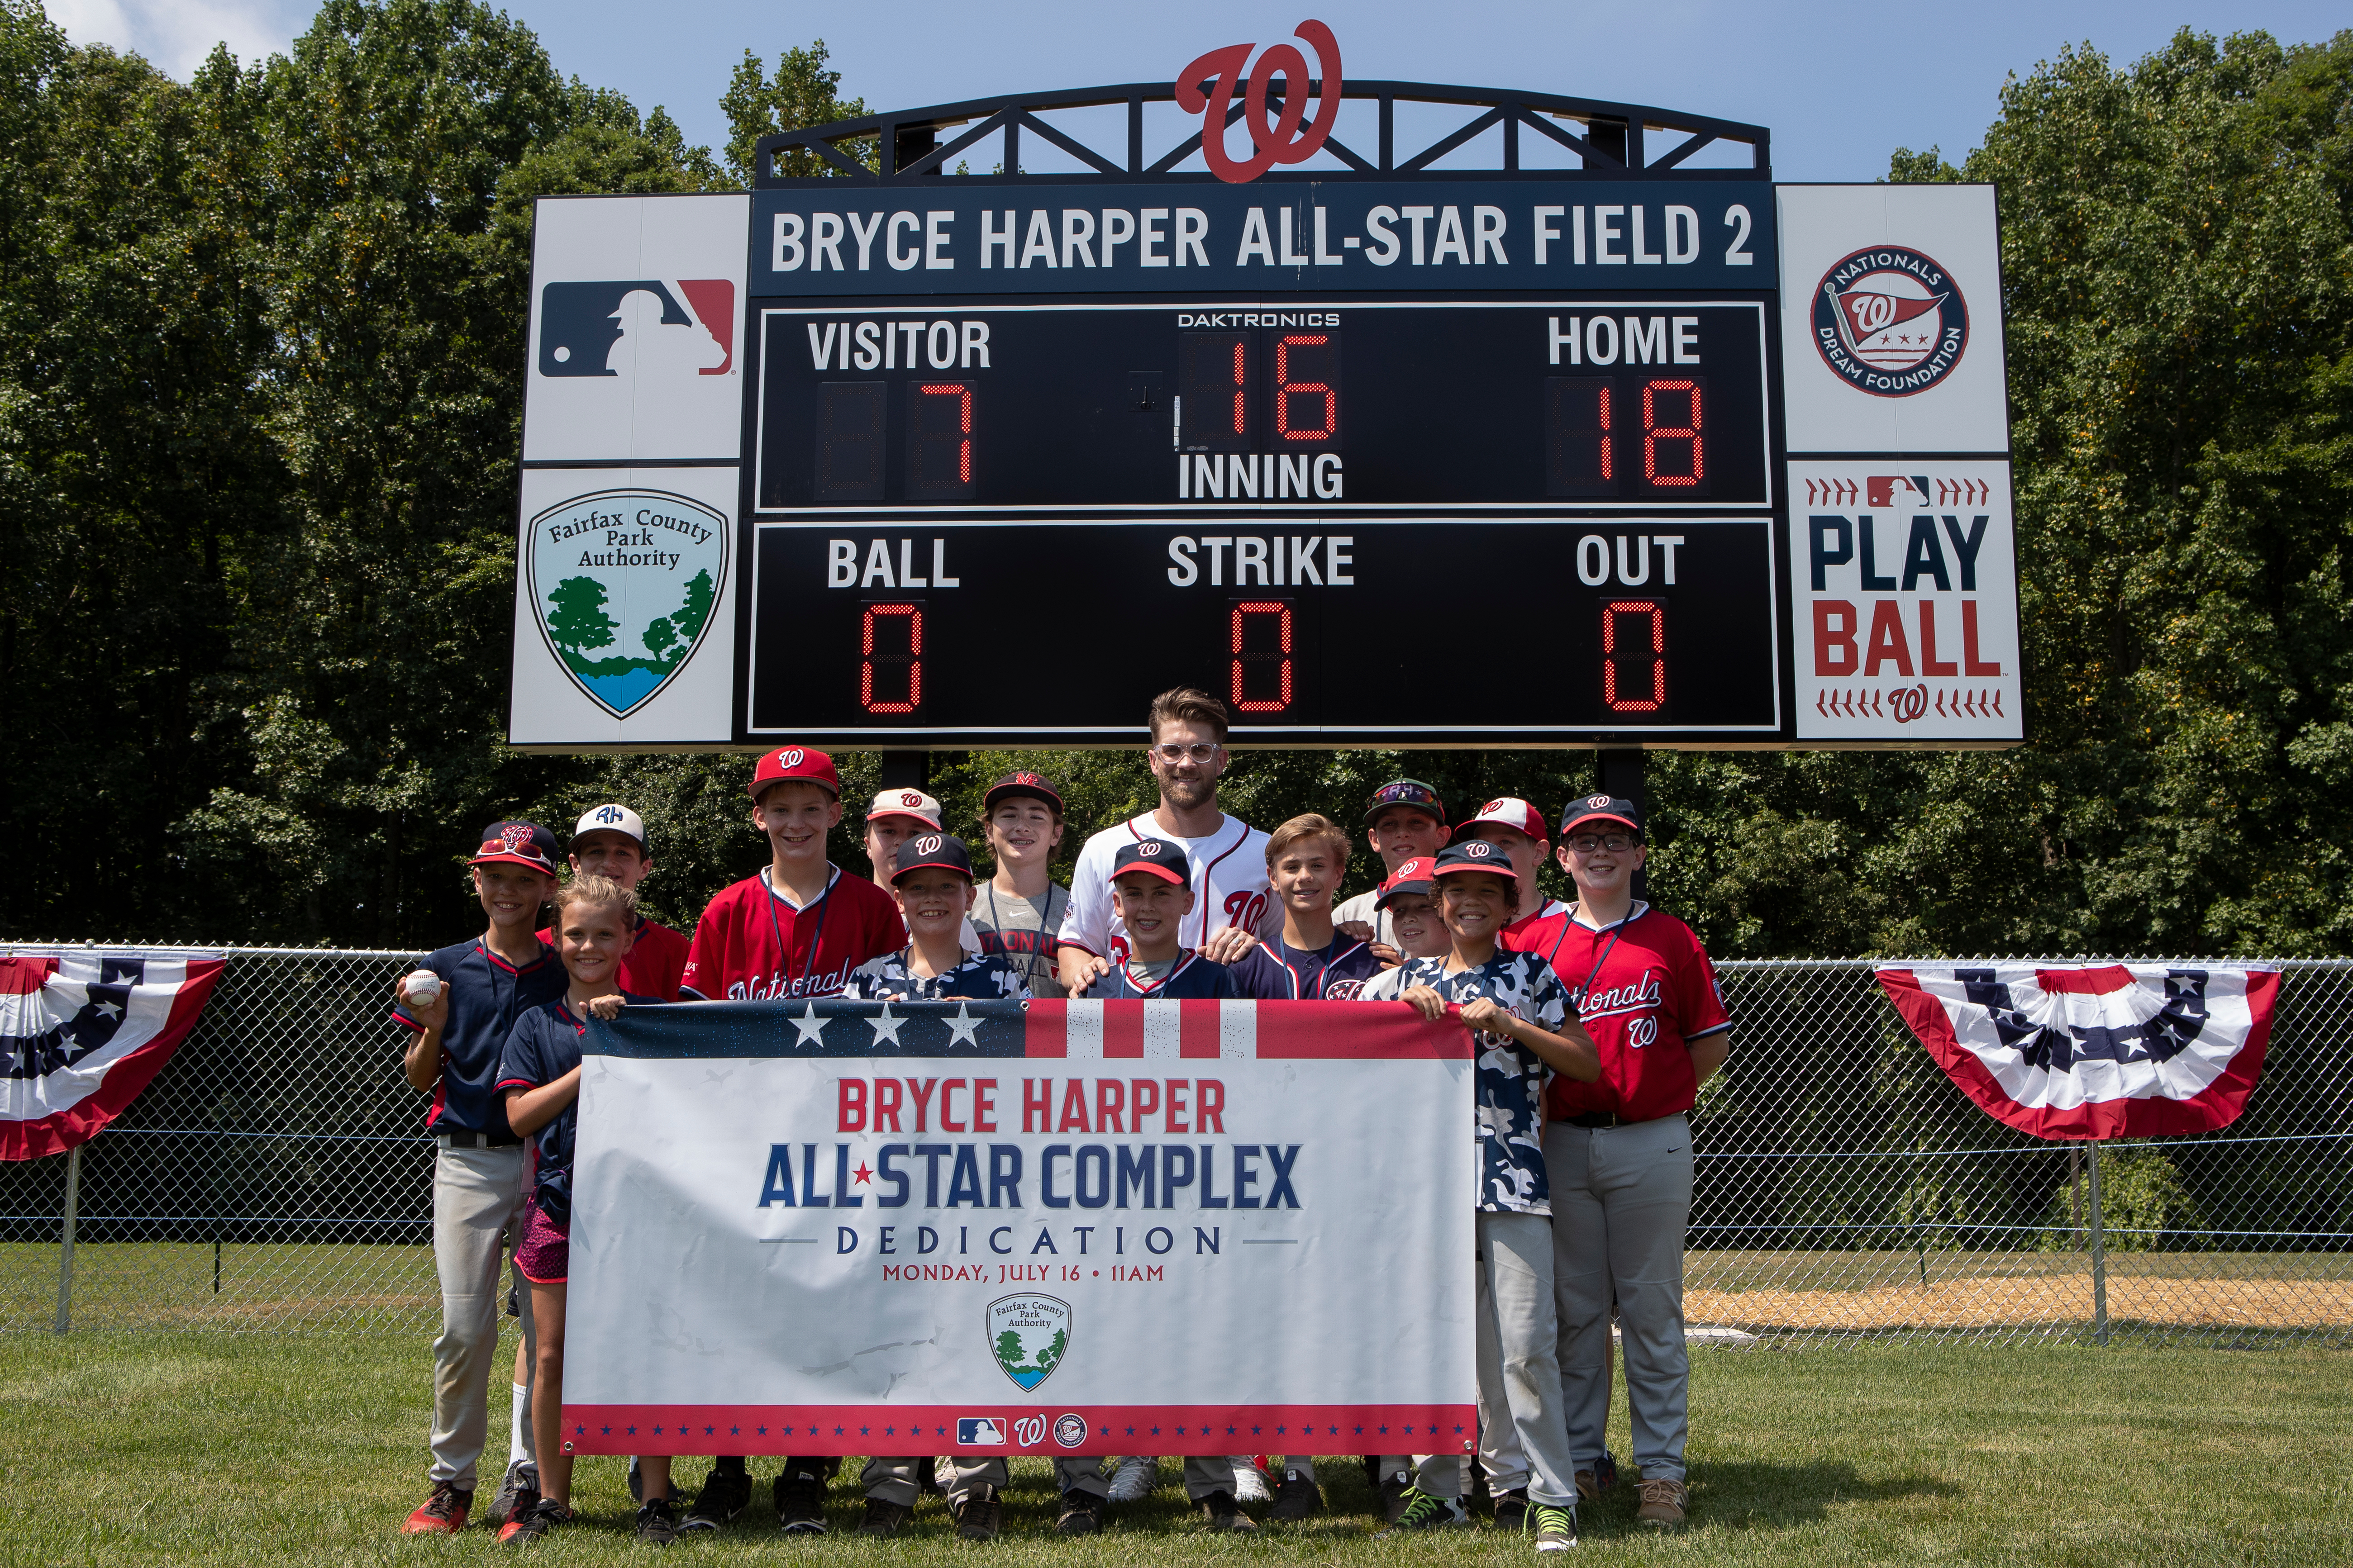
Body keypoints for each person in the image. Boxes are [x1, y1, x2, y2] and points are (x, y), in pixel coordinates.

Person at [841, 833, 1101, 1541]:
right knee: (895, 1338)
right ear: (897, 896)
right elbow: (828, 1089)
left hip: (977, 1189)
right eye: (916, 885)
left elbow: (1029, 1089)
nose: (930, 898)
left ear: (967, 896)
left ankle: (976, 1480)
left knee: (970, 1331)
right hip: (890, 1186)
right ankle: (889, 1484)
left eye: (945, 886)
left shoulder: (1001, 985)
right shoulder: (864, 982)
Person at [674, 746, 908, 1535]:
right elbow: (696, 1035)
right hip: (745, 1141)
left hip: (841, 1142)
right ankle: (730, 1468)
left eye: (813, 806)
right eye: (782, 806)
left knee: (822, 1304)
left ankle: (807, 1468)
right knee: (741, 1304)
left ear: (838, 814)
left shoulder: (875, 910)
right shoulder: (728, 907)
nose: (797, 821)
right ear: (758, 816)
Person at [1366, 840, 1600, 1551]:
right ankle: (1440, 1492)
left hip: (1514, 1178)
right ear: (1440, 903)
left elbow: (1585, 1061)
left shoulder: (1532, 972)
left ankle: (1549, 1494)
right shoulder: (1412, 977)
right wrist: (1401, 1007)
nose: (1469, 901)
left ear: (1508, 905)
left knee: (1526, 1346)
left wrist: (1510, 1024)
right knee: (1438, 1346)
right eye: (1455, 890)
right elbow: (1345, 1035)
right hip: (1429, 1187)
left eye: (1486, 891)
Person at [1506, 794, 1731, 1529]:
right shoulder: (1533, 938)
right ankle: (1580, 1457)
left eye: (1616, 839)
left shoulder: (1670, 938)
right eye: (1584, 841)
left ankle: (1662, 1474)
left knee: (1652, 1315)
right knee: (1574, 1315)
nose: (1600, 852)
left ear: (1638, 854)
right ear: (1561, 857)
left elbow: (1707, 1045)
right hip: (1563, 1143)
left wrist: (1648, 1098)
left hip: (1649, 1140)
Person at [501, 803, 690, 1527]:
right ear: (556, 936)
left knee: (646, 1350)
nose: (588, 946)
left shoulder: (650, 1017)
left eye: (604, 935)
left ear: (628, 939)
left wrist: (624, 1032)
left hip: (641, 1210)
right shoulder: (538, 1023)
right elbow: (518, 1116)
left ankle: (656, 1498)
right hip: (558, 1206)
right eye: (575, 934)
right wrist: (591, 1063)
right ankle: (552, 1496)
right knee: (552, 1356)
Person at [392, 822, 567, 1536]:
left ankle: (526, 1480)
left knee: (542, 1331)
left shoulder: (566, 964)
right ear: (476, 881)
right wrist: (429, 1024)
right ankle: (450, 1483)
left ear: (547, 887)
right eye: (495, 874)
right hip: (468, 1156)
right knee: (466, 1328)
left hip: (551, 1159)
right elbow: (417, 1077)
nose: (508, 889)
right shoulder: (444, 964)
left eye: (524, 877)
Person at [1222, 813, 1386, 1523]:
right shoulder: (1241, 963)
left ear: (1339, 875)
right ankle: (1279, 1463)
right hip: (1266, 1168)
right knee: (1272, 1317)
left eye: (1318, 866)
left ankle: (1372, 1458)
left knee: (1349, 1313)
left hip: (1352, 1166)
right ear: (1272, 877)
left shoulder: (1370, 965)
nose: (1305, 879)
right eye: (1291, 867)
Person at [1055, 687, 1273, 997]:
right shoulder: (1103, 848)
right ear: (1154, 760)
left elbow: (1291, 950)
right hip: (1125, 1027)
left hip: (1221, 1028)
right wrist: (1088, 978)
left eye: (1201, 751)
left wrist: (1259, 951)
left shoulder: (1263, 853)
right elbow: (1073, 948)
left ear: (1221, 761)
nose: (1186, 763)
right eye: (1172, 750)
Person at [968, 770, 1072, 998]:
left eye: (1036, 817)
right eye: (1009, 816)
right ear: (989, 830)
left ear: (1056, 833)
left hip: (1054, 1033)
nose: (1022, 827)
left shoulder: (1075, 909)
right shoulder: (965, 905)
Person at [1331, 779, 1453, 953]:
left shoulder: (1456, 905)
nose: (1402, 833)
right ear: (1375, 840)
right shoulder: (1349, 914)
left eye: (1416, 823)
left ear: (1441, 836)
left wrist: (1403, 975)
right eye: (1389, 824)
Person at [1452, 797, 1569, 932]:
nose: (1489, 854)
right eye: (1482, 845)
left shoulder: (1571, 923)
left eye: (1505, 842)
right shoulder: (1460, 927)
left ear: (1539, 852)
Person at [859, 786, 945, 888]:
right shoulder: (843, 902)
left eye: (915, 833)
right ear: (869, 845)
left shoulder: (960, 903)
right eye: (889, 831)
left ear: (937, 846)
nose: (901, 841)